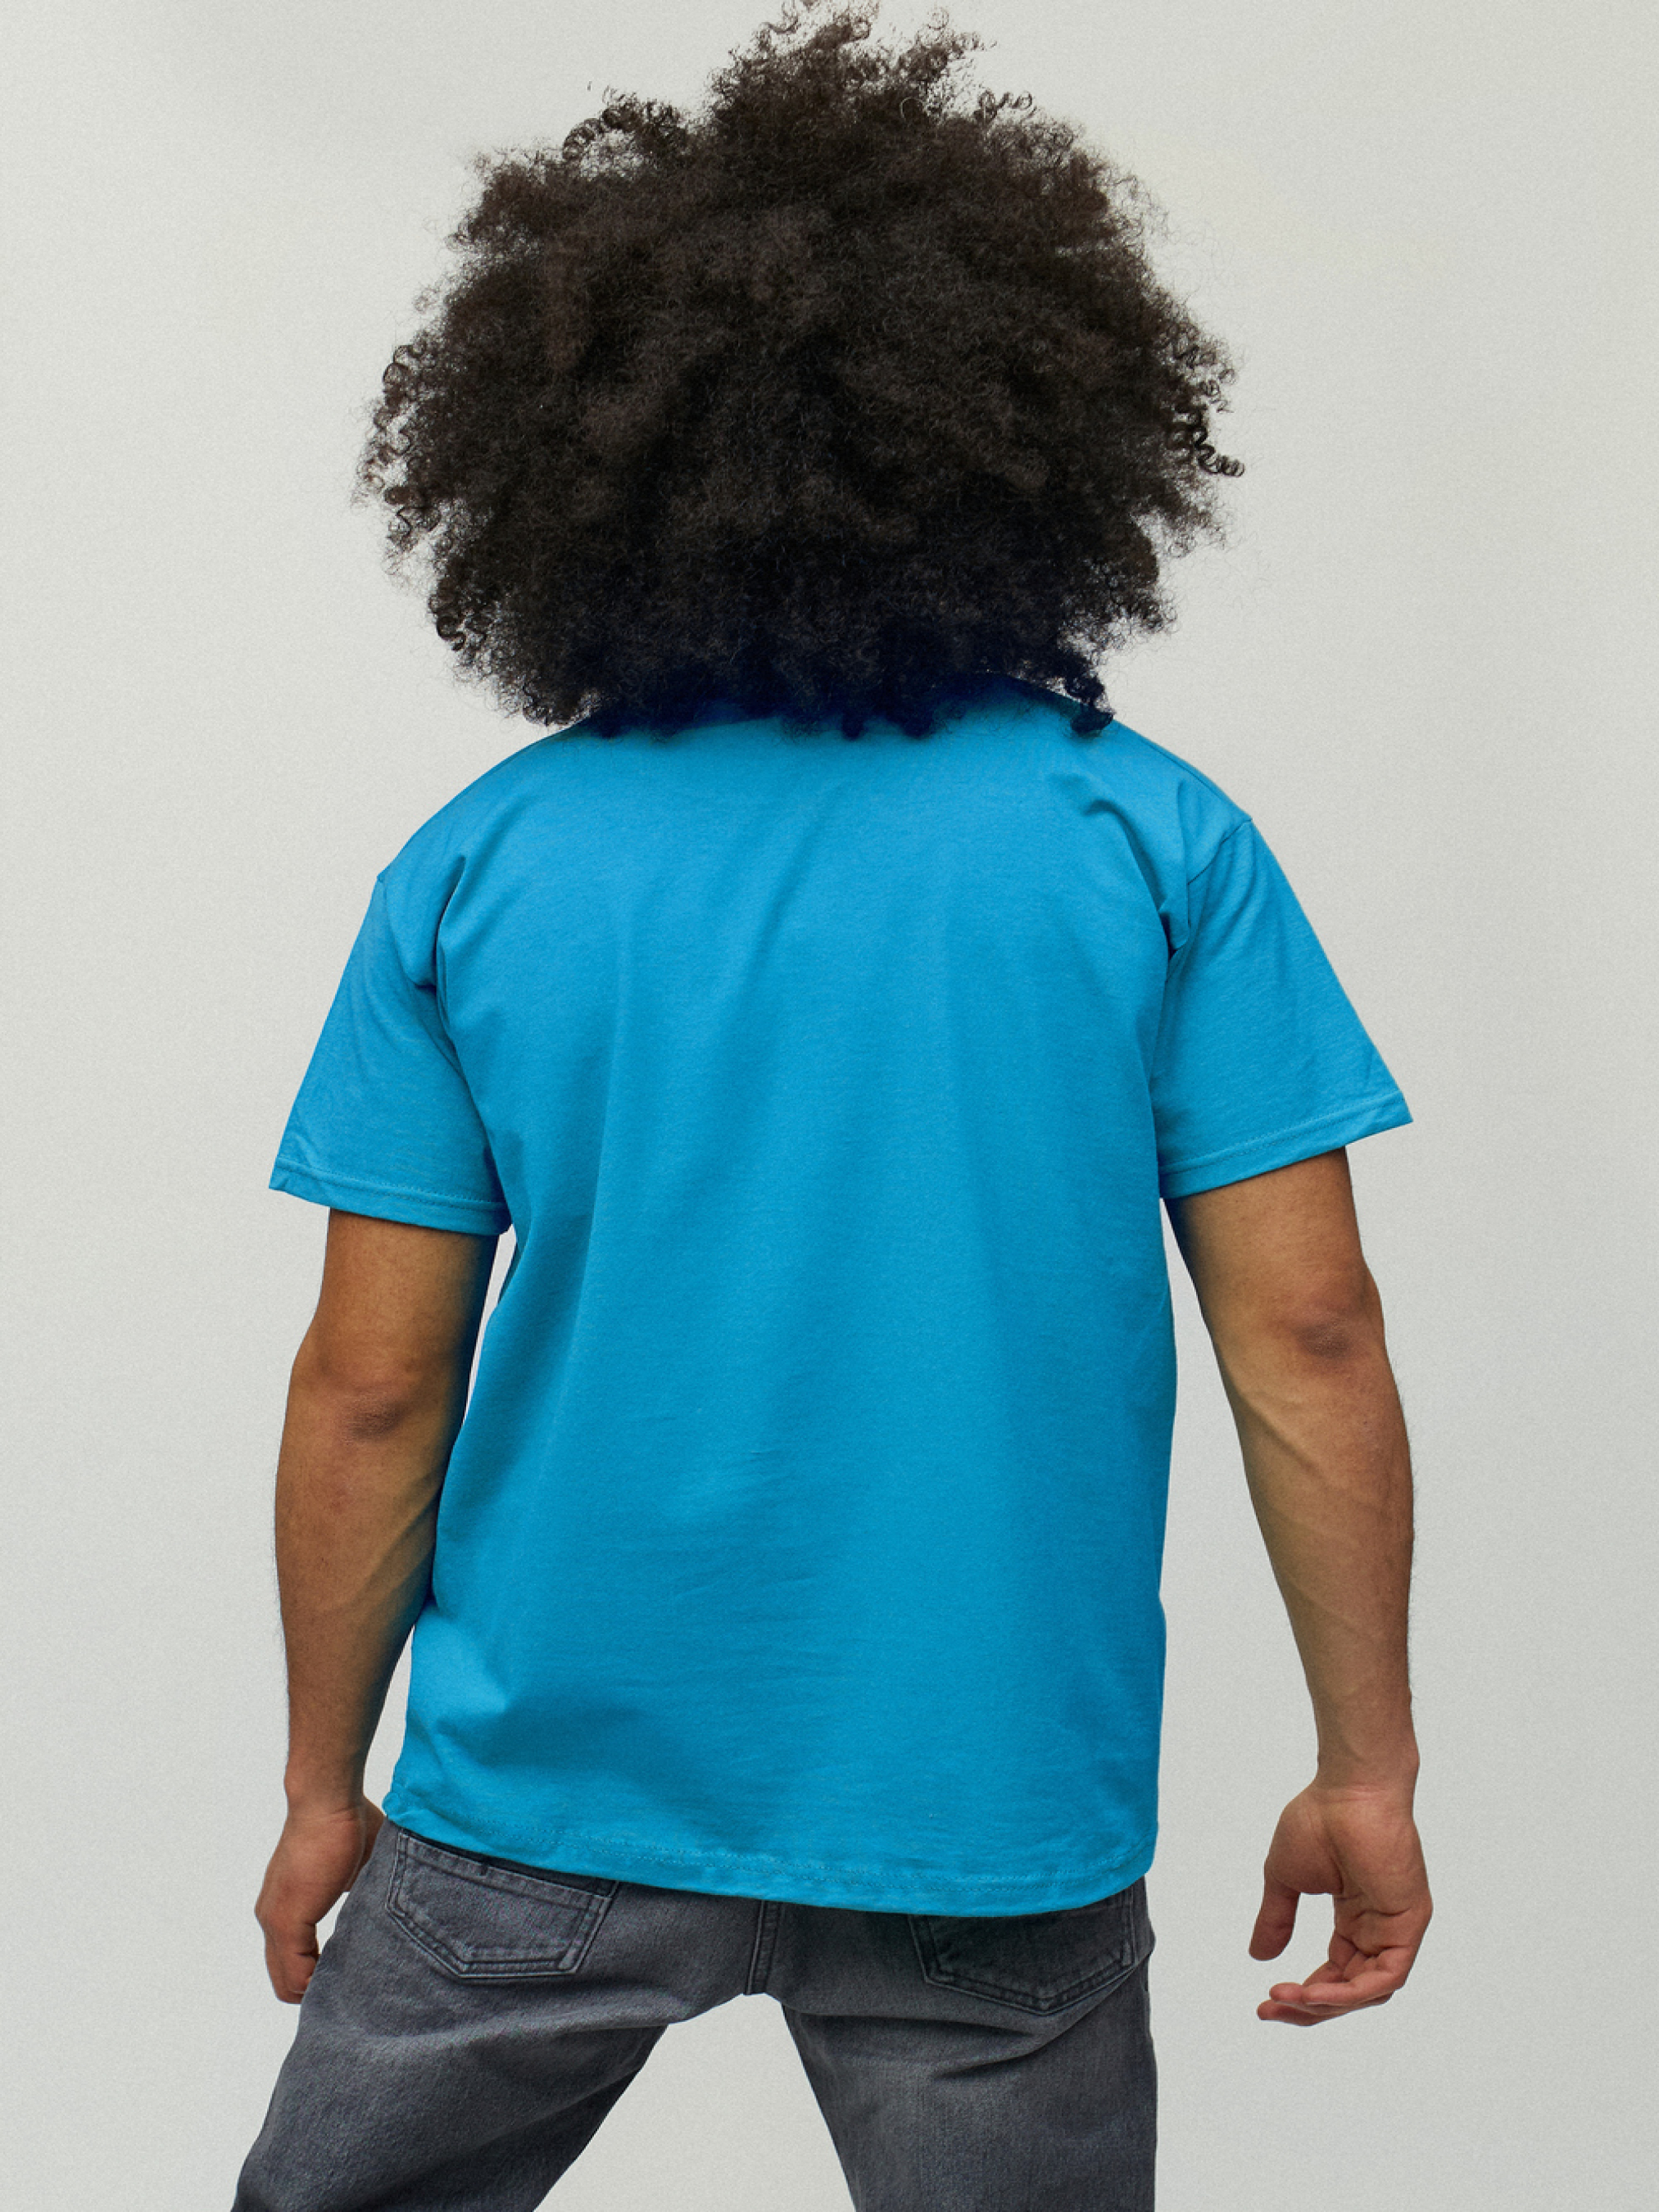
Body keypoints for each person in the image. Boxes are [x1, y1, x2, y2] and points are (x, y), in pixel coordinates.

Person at [233, 8, 1430, 2207]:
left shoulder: (489, 864)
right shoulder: (1148, 842)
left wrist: (324, 1784)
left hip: (539, 1798)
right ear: (1033, 432)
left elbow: (373, 1385)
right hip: (987, 1809)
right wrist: (1371, 1765)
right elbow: (1310, 1329)